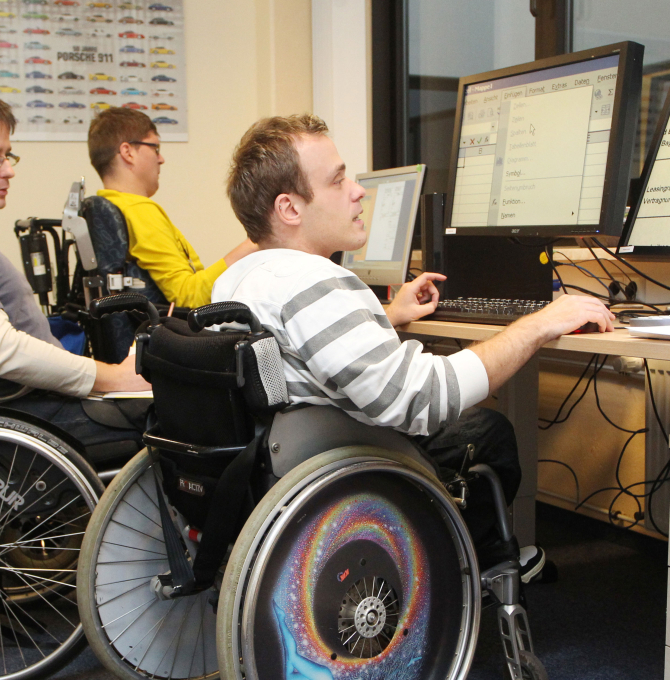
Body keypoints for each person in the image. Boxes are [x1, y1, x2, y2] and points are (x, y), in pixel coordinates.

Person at [212, 114, 615, 576]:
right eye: (338, 180)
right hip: (348, 475)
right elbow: (422, 400)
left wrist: (385, 317)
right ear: (290, 209)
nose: (358, 191)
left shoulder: (238, 280)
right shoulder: (316, 282)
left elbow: (300, 354)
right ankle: (475, 571)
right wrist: (539, 324)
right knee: (487, 433)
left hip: (276, 466)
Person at [0, 100, 150, 451]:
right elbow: (4, 350)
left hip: (35, 397)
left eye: (8, 156)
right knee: (167, 422)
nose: (9, 171)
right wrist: (111, 377)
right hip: (26, 409)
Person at [88, 107, 257, 308]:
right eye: (155, 148)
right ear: (128, 152)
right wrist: (257, 243)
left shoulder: (110, 206)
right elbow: (188, 296)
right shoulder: (139, 211)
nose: (161, 159)